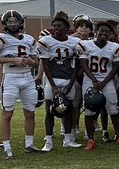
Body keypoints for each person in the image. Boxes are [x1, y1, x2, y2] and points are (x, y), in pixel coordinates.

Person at [0, 10, 41, 159]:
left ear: (21, 22)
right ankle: (7, 148)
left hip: (27, 77)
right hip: (10, 77)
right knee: (7, 113)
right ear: (4, 24)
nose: (13, 24)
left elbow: (36, 63)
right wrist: (12, 60)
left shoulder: (29, 39)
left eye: (15, 22)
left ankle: (29, 144)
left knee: (30, 112)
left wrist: (30, 61)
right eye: (10, 22)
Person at [77, 21, 119, 150]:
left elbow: (115, 67)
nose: (104, 33)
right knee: (89, 110)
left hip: (107, 80)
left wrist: (104, 82)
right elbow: (83, 64)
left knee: (113, 109)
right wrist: (94, 81)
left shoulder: (115, 47)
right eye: (102, 31)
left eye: (107, 31)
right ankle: (90, 139)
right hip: (90, 80)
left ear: (111, 34)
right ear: (96, 31)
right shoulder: (84, 45)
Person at [37, 12, 83, 150]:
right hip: (53, 80)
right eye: (55, 26)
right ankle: (49, 141)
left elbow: (77, 66)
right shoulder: (46, 41)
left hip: (68, 79)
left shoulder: (75, 42)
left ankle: (68, 139)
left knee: (68, 109)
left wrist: (71, 83)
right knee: (49, 110)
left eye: (59, 26)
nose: (56, 28)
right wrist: (53, 85)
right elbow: (45, 65)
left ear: (67, 27)